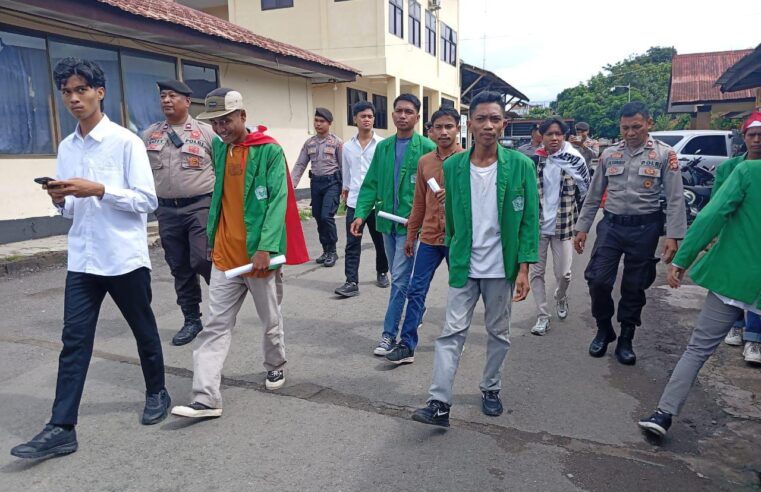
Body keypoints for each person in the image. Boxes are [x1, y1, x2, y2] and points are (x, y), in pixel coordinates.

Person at [11, 58, 169, 459]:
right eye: (67, 91)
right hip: (83, 258)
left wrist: (99, 189)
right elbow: (70, 210)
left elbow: (147, 201)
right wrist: (61, 198)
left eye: (81, 89)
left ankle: (157, 391)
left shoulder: (126, 142)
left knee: (143, 330)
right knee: (74, 342)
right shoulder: (67, 146)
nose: (74, 98)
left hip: (123, 258)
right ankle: (61, 427)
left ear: (100, 92)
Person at [171, 88, 307, 419]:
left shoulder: (269, 151)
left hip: (258, 257)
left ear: (242, 116)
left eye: (226, 121)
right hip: (225, 256)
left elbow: (277, 201)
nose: (220, 129)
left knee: (270, 321)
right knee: (215, 325)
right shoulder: (220, 147)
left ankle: (275, 364)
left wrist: (265, 247)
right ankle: (206, 397)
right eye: (215, 123)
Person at [411, 91, 538, 427]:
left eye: (495, 119)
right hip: (465, 264)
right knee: (451, 332)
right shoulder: (453, 166)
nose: (488, 125)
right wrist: (453, 246)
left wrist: (524, 268)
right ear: (470, 124)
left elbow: (528, 221)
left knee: (498, 331)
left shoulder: (521, 166)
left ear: (504, 124)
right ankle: (439, 402)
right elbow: (450, 215)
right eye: (481, 119)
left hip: (501, 267)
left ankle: (491, 387)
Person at [638, 157, 761, 437]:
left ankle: (664, 414)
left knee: (697, 349)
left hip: (733, 276)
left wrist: (683, 260)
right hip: (735, 278)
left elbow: (711, 216)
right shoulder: (742, 169)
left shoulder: (749, 171)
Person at [574, 101, 687, 365]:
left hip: (645, 228)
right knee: (598, 280)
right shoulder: (609, 154)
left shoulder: (664, 154)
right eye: (625, 128)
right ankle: (604, 328)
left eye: (636, 127)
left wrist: (674, 236)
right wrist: (582, 228)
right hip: (611, 226)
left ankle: (626, 336)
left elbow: (675, 198)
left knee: (635, 286)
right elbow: (593, 195)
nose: (630, 133)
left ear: (649, 124)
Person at [350, 94, 436, 356]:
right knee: (401, 275)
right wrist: (360, 214)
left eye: (408, 111)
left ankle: (389, 335)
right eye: (398, 111)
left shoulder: (427, 147)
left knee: (398, 279)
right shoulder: (384, 147)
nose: (402, 115)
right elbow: (371, 183)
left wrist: (422, 219)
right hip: (387, 223)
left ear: (417, 117)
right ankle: (417, 309)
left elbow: (436, 191)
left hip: (413, 227)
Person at [384, 107, 462, 364]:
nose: (443, 132)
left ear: (458, 129)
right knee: (416, 290)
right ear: (431, 130)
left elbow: (478, 203)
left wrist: (452, 197)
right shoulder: (425, 162)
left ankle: (455, 340)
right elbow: (418, 203)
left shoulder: (468, 161)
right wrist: (410, 236)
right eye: (438, 127)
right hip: (428, 237)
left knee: (460, 292)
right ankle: (407, 345)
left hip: (456, 238)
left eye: (448, 126)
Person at [143, 80, 216, 346]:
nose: (166, 100)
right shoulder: (150, 134)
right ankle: (192, 319)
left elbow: (222, 171)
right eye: (163, 96)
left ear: (187, 101)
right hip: (166, 210)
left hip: (200, 206)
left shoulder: (206, 133)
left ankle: (222, 306)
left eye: (173, 96)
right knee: (180, 266)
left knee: (201, 259)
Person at [529, 117, 590, 336]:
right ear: (541, 137)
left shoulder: (575, 160)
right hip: (537, 227)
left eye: (558, 134)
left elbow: (585, 194)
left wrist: (582, 226)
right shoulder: (535, 160)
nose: (554, 138)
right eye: (549, 134)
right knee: (536, 273)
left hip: (564, 226)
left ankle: (561, 297)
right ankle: (542, 316)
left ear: (564, 136)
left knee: (564, 274)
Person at [716, 112, 761, 364]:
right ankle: (734, 325)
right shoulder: (729, 168)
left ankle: (754, 338)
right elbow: (716, 205)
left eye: (760, 135)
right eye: (751, 135)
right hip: (733, 236)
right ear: (743, 137)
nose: (756, 140)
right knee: (732, 284)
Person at [334, 101, 389, 297]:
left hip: (377, 203)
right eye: (363, 116)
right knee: (352, 243)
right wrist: (345, 189)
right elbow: (346, 171)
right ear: (355, 119)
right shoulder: (347, 147)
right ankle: (351, 281)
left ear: (374, 119)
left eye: (370, 116)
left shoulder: (383, 144)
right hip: (354, 202)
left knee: (380, 241)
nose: (367, 119)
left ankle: (382, 271)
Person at [291, 108, 343, 267]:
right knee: (318, 217)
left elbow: (344, 166)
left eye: (322, 121)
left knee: (327, 216)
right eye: (316, 121)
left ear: (329, 123)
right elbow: (300, 164)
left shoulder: (337, 143)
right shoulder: (309, 143)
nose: (318, 124)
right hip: (316, 184)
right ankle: (325, 250)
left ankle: (333, 251)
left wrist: (345, 188)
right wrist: (291, 185)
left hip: (332, 183)